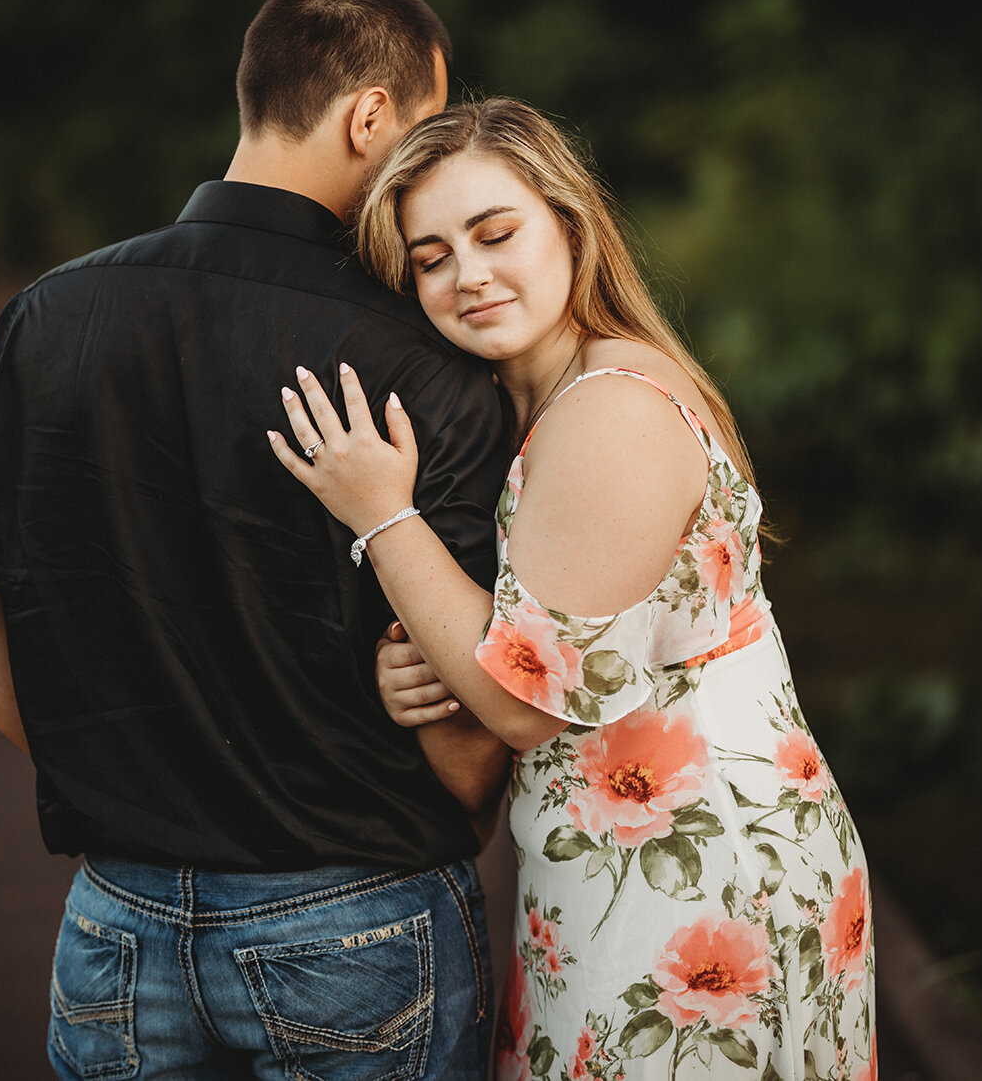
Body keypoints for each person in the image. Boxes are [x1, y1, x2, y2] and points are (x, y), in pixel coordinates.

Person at [268, 97, 876, 1080]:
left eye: (494, 232)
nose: (467, 274)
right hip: (632, 864)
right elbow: (510, 654)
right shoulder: (550, 401)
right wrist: (419, 668)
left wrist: (380, 514)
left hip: (700, 885)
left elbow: (523, 701)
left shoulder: (610, 413)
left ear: (570, 223)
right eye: (430, 257)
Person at [0, 0, 511, 1080]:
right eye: (422, 129)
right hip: (358, 911)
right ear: (371, 116)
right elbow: (470, 745)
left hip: (113, 923)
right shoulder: (430, 365)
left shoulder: (42, 322)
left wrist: (116, 776)